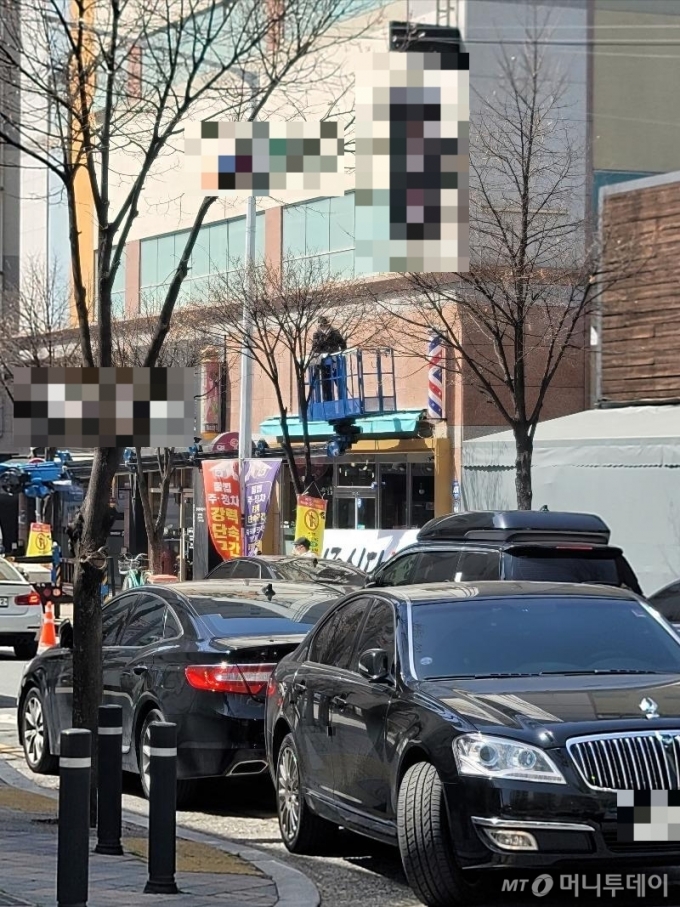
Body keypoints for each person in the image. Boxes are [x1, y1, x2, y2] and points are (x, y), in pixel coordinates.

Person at [311, 317, 347, 402]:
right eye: (321, 325)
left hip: (335, 359)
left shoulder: (335, 332)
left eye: (324, 324)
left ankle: (344, 404)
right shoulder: (317, 334)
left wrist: (341, 354)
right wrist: (320, 351)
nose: (323, 326)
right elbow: (315, 348)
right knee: (326, 384)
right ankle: (328, 405)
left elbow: (342, 343)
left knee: (339, 382)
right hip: (324, 361)